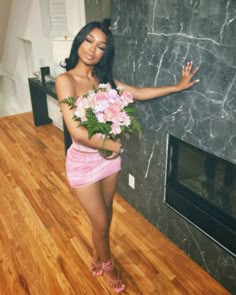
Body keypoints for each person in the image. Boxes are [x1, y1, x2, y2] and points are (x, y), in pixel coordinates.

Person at [55, 20, 199, 293]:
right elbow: (76, 129)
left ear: (105, 53)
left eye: (100, 46)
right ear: (78, 42)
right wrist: (112, 144)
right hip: (84, 163)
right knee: (99, 221)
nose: (92, 49)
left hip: (109, 162)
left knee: (105, 217)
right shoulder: (65, 81)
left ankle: (98, 254)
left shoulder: (103, 80)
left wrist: (177, 87)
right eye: (88, 40)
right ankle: (109, 266)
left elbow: (140, 93)